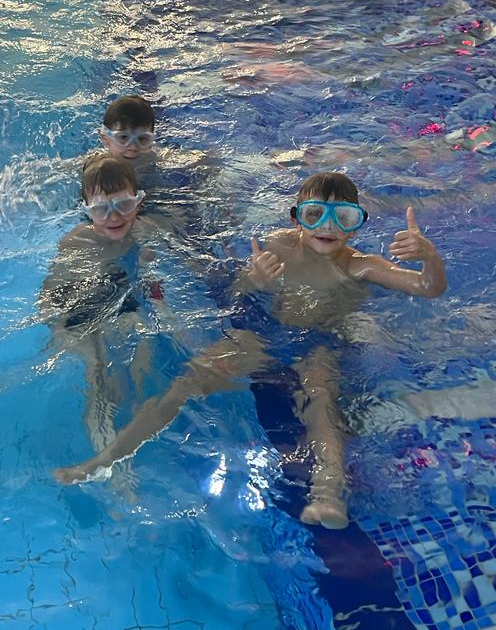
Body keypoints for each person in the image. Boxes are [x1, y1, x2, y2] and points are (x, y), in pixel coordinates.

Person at [55, 171, 447, 530]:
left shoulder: (362, 266)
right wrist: (254, 280)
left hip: (320, 345)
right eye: (315, 214)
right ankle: (106, 459)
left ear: (356, 225)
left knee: (322, 399)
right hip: (265, 336)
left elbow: (428, 288)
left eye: (342, 217)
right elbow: (239, 290)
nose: (327, 226)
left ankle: (329, 493)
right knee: (186, 383)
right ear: (296, 218)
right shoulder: (278, 245)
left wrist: (429, 257)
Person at [41, 155, 171, 472]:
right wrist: (57, 329)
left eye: (123, 205)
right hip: (79, 311)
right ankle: (108, 465)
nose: (114, 217)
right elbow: (49, 295)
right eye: (101, 209)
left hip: (120, 300)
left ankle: (136, 435)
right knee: (98, 372)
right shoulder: (76, 242)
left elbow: (153, 283)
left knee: (142, 357)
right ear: (87, 210)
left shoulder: (144, 232)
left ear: (139, 201)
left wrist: (160, 300)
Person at [98, 95, 156, 166]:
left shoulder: (154, 158)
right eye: (124, 137)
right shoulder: (96, 165)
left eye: (142, 138)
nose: (133, 147)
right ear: (104, 138)